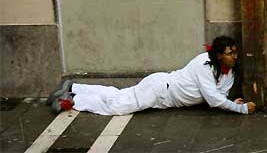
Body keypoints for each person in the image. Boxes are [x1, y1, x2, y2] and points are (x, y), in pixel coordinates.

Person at [47, 36, 256, 116]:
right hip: (159, 90)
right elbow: (213, 98)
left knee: (120, 95)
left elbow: (219, 95)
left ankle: (74, 87)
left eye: (235, 53)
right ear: (219, 55)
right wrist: (239, 108)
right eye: (230, 53)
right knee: (119, 106)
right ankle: (74, 100)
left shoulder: (229, 72)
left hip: (161, 94)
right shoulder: (204, 65)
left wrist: (229, 101)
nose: (234, 57)